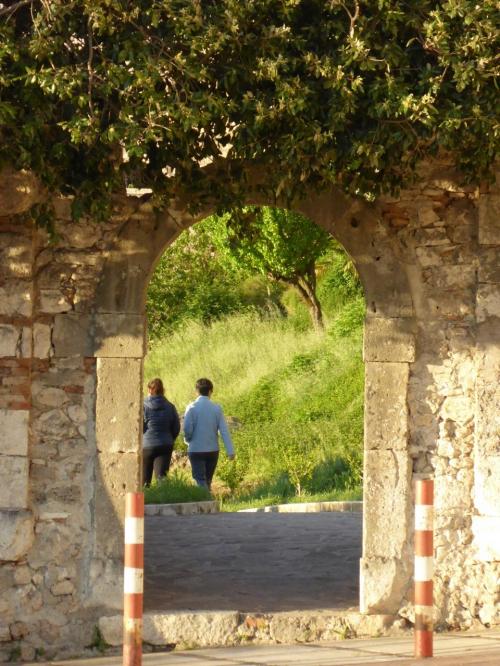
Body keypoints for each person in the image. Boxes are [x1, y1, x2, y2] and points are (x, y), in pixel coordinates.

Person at [183, 377, 235, 490]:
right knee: (208, 480)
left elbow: (187, 429)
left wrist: (188, 440)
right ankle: (207, 498)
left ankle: (205, 499)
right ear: (210, 391)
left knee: (200, 480)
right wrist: (230, 451)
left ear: (196, 391)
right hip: (212, 450)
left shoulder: (191, 407)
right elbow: (224, 431)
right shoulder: (217, 408)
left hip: (195, 449)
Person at [143, 378, 180, 486]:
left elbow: (139, 427)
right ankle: (162, 496)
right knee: (162, 480)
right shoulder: (170, 406)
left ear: (149, 390)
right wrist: (170, 438)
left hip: (147, 445)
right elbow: (176, 427)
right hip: (165, 445)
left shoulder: (143, 406)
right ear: (163, 390)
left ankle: (146, 496)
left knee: (144, 481)